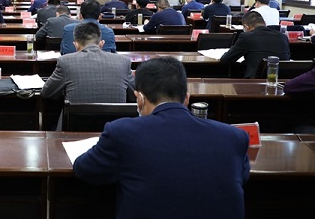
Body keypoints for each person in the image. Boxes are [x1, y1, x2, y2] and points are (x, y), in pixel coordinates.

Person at [73, 57, 249, 219]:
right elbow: (243, 176)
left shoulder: (122, 132)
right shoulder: (234, 137)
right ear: (186, 99)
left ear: (139, 99)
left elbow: (84, 169)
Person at [43, 22, 134, 129]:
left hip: (73, 130)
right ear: (101, 43)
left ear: (75, 44)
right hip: (114, 131)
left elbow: (47, 93)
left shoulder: (65, 61)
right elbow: (134, 95)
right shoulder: (123, 62)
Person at [220, 11, 290, 78]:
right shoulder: (282, 36)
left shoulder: (246, 37)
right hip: (280, 80)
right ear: (265, 23)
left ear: (246, 27)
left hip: (255, 81)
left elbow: (225, 60)